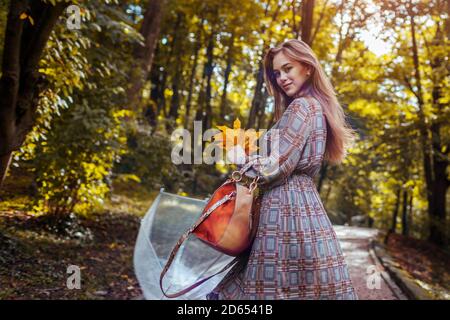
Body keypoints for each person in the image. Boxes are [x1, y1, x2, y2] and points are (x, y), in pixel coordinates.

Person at [206, 39, 358, 300]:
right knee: (296, 285)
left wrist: (239, 159)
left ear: (308, 67)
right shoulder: (315, 108)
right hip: (304, 207)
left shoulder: (302, 106)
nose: (282, 78)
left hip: (284, 210)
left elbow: (276, 166)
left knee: (266, 287)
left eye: (288, 68)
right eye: (277, 73)